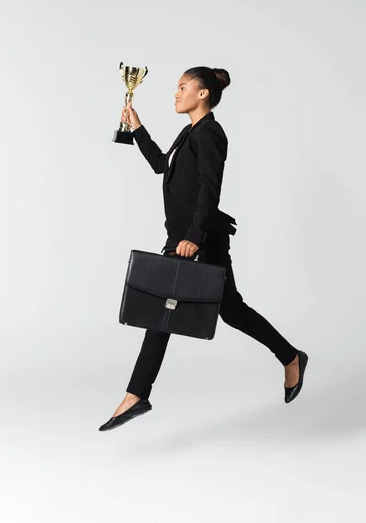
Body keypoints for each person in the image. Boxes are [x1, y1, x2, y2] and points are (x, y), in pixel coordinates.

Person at [99, 66, 308, 432]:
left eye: (182, 88)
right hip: (186, 235)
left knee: (162, 311)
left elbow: (211, 187)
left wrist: (194, 236)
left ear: (203, 94)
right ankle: (291, 356)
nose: (176, 94)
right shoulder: (190, 131)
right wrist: (137, 127)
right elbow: (162, 165)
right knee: (230, 309)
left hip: (199, 236)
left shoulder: (211, 133)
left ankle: (136, 394)